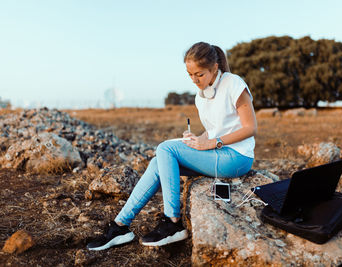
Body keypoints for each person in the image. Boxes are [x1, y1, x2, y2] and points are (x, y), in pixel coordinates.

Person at [86, 42, 257, 250]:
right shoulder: (201, 96)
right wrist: (197, 139)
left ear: (214, 68)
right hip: (217, 153)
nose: (194, 80)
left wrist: (212, 142)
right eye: (190, 75)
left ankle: (173, 222)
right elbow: (214, 129)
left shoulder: (234, 83)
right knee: (160, 161)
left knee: (166, 148)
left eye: (199, 74)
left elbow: (250, 128)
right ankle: (120, 225)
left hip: (237, 157)